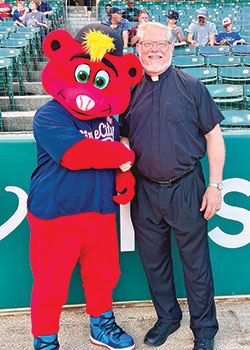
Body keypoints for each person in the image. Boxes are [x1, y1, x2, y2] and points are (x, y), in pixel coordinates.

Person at [27, 23, 143, 350]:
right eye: (83, 74)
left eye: (101, 79)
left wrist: (123, 174)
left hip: (101, 211)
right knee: (51, 285)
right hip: (56, 212)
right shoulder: (48, 115)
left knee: (103, 276)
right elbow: (76, 155)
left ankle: (101, 327)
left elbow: (112, 157)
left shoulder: (109, 119)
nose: (91, 89)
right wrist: (123, 155)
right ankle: (46, 340)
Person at [119, 22, 225, 350]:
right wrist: (122, 153)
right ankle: (167, 317)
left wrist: (215, 185)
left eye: (160, 44)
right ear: (137, 49)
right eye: (146, 44)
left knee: (196, 264)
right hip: (145, 190)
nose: (153, 50)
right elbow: (124, 134)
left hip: (186, 187)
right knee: (154, 261)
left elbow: (214, 138)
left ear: (171, 48)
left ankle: (205, 329)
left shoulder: (192, 87)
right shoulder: (128, 90)